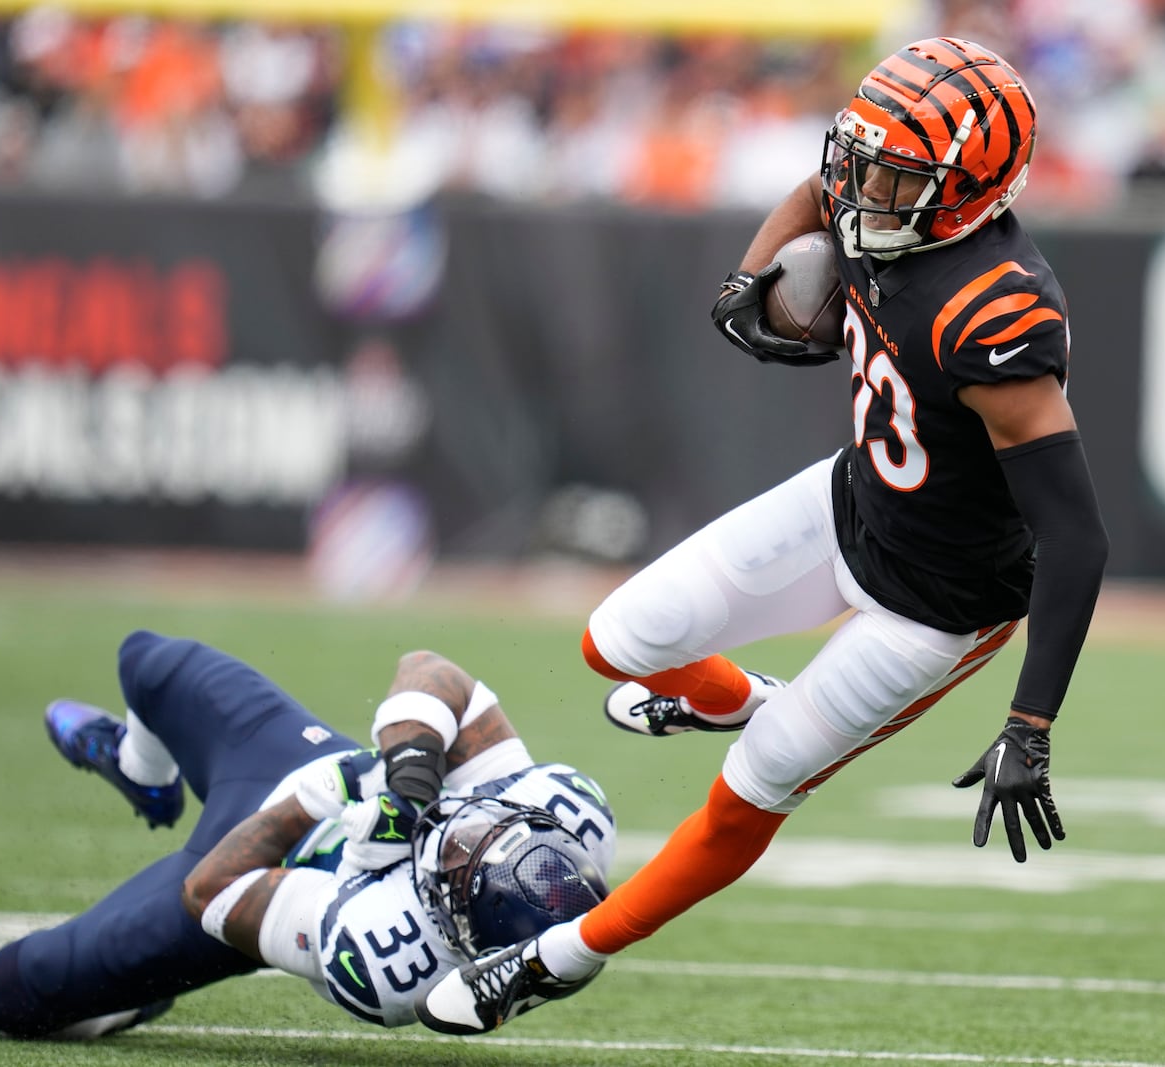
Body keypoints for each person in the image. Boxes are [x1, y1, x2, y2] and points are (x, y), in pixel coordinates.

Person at [414, 36, 1109, 1035]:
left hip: (935, 610)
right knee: (618, 639)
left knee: (751, 791)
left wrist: (1031, 725)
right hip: (851, 503)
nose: (866, 185)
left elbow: (1076, 536)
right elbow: (820, 192)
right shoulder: (883, 200)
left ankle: (555, 958)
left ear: (967, 188)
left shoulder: (994, 315)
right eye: (863, 156)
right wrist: (750, 279)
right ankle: (743, 696)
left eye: (897, 171)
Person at [0, 628, 615, 1038]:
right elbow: (432, 671)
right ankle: (143, 771)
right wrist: (413, 775)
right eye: (479, 822)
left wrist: (315, 799)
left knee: (8, 989)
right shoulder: (567, 812)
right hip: (287, 755)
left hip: (261, 866)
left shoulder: (388, 961)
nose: (453, 825)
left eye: (452, 860)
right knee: (146, 659)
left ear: (456, 928)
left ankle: (133, 998)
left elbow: (209, 889)